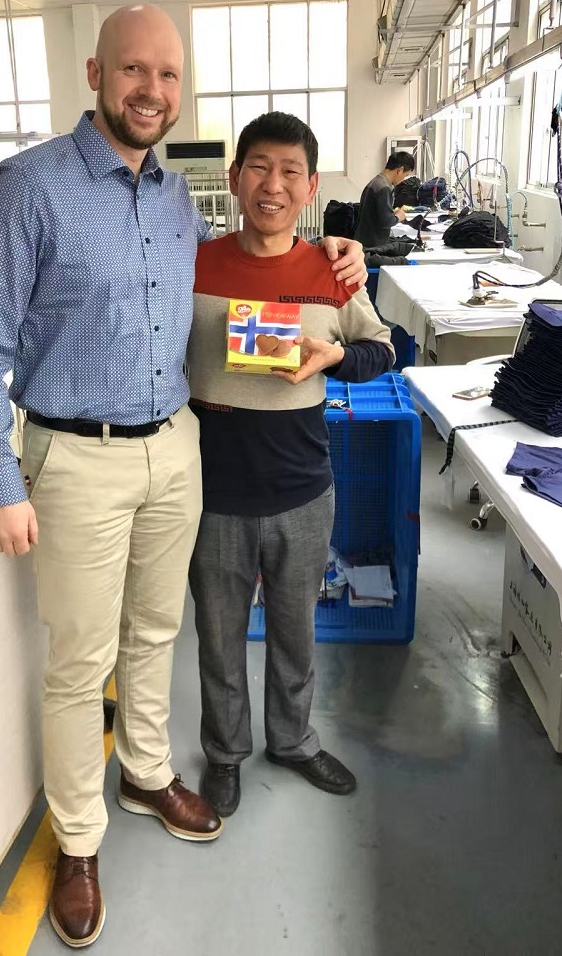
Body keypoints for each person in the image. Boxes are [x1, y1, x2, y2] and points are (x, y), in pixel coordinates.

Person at [0, 5, 367, 949]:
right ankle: (79, 840)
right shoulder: (31, 188)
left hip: (176, 448)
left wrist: (346, 254)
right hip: (75, 454)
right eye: (135, 70)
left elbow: (254, 276)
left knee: (155, 631)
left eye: (168, 75)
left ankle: (145, 771)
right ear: (97, 73)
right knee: (79, 660)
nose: (152, 90)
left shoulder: (177, 202)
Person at [187, 111, 395, 819]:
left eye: (290, 172)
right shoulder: (194, 265)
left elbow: (381, 349)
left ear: (309, 189)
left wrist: (335, 357)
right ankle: (224, 753)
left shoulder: (332, 273)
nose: (272, 185)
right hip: (213, 492)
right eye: (258, 167)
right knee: (219, 638)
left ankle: (294, 740)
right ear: (234, 177)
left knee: (295, 633)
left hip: (303, 490)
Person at [355, 151, 417, 254]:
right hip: (373, 245)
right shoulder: (383, 188)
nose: (403, 180)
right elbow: (387, 222)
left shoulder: (376, 182)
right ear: (400, 170)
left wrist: (391, 212)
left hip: (365, 239)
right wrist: (399, 216)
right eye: (405, 175)